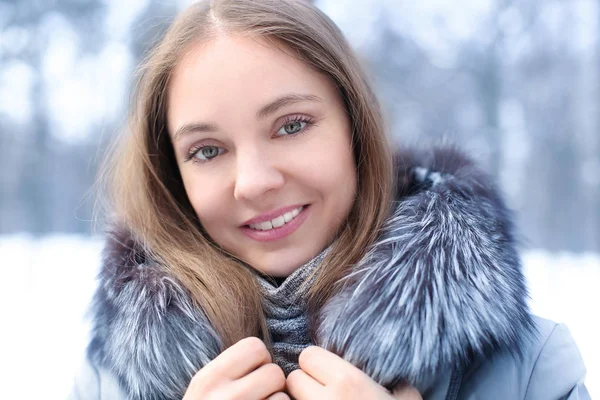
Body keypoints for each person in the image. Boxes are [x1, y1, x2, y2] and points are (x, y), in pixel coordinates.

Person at [69, 0, 590, 399]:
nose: (252, 182)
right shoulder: (106, 382)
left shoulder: (530, 370)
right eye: (207, 150)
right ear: (173, 176)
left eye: (291, 125)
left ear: (355, 129)